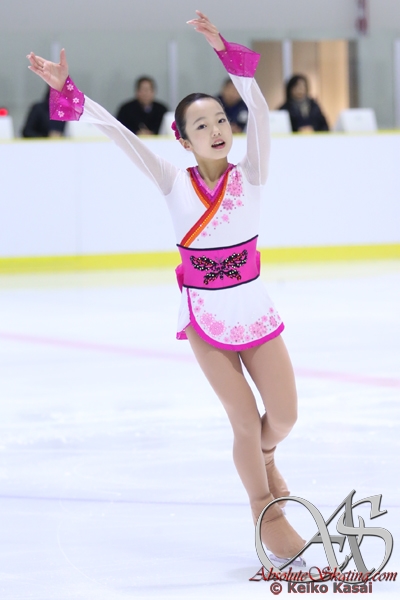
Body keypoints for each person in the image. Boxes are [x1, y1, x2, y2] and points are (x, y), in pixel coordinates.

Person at [27, 10, 306, 565]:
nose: (217, 130)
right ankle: (266, 513)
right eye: (201, 126)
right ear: (182, 138)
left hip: (254, 310)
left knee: (284, 417)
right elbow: (119, 134)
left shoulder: (251, 173)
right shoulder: (171, 180)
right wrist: (71, 92)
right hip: (204, 316)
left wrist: (224, 48)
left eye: (220, 119)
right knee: (243, 420)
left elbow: (260, 110)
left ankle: (268, 457)